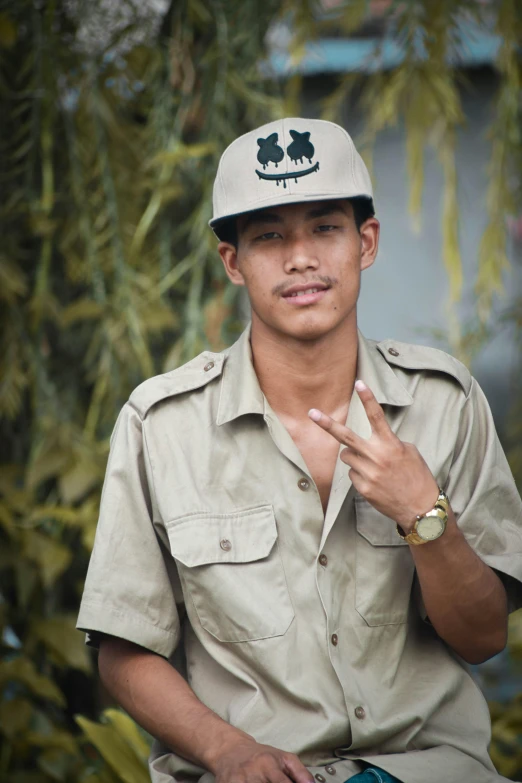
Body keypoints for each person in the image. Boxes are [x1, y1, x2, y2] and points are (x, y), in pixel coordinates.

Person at [77, 118, 522, 783]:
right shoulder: (162, 423)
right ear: (232, 260)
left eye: (324, 227)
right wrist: (230, 750)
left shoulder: (444, 401)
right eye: (269, 236)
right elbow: (122, 645)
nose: (301, 258)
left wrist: (424, 515)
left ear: (365, 242)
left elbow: (483, 637)